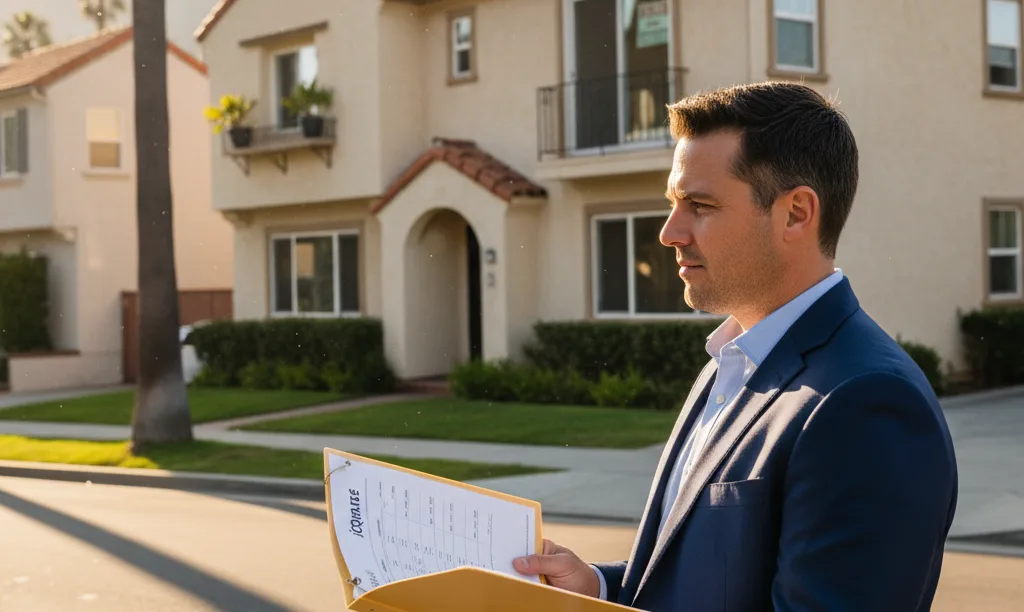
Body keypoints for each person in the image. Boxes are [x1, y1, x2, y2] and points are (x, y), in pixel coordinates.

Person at [512, 82, 958, 611]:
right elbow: (696, 579)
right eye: (674, 203)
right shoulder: (728, 363)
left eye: (699, 204)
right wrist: (601, 588)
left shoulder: (867, 403)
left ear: (795, 213)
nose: (670, 232)